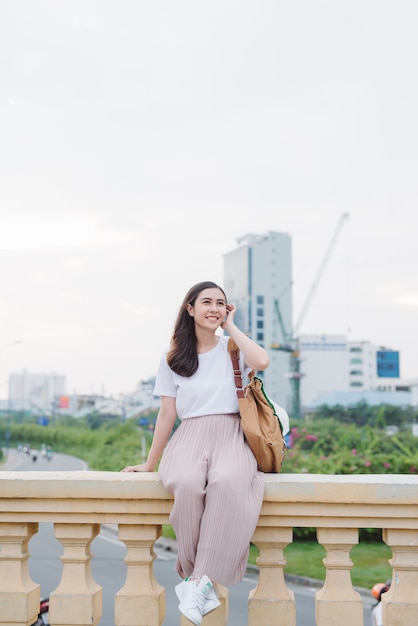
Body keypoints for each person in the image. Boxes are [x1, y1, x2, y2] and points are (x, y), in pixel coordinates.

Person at [122, 281, 269, 625]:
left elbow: (261, 360)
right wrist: (149, 463)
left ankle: (197, 582)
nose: (214, 308)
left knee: (228, 482)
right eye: (206, 302)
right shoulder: (172, 357)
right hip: (190, 433)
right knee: (185, 482)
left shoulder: (232, 348)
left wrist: (231, 326)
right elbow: (167, 414)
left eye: (221, 303)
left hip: (232, 432)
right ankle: (197, 580)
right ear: (190, 308)